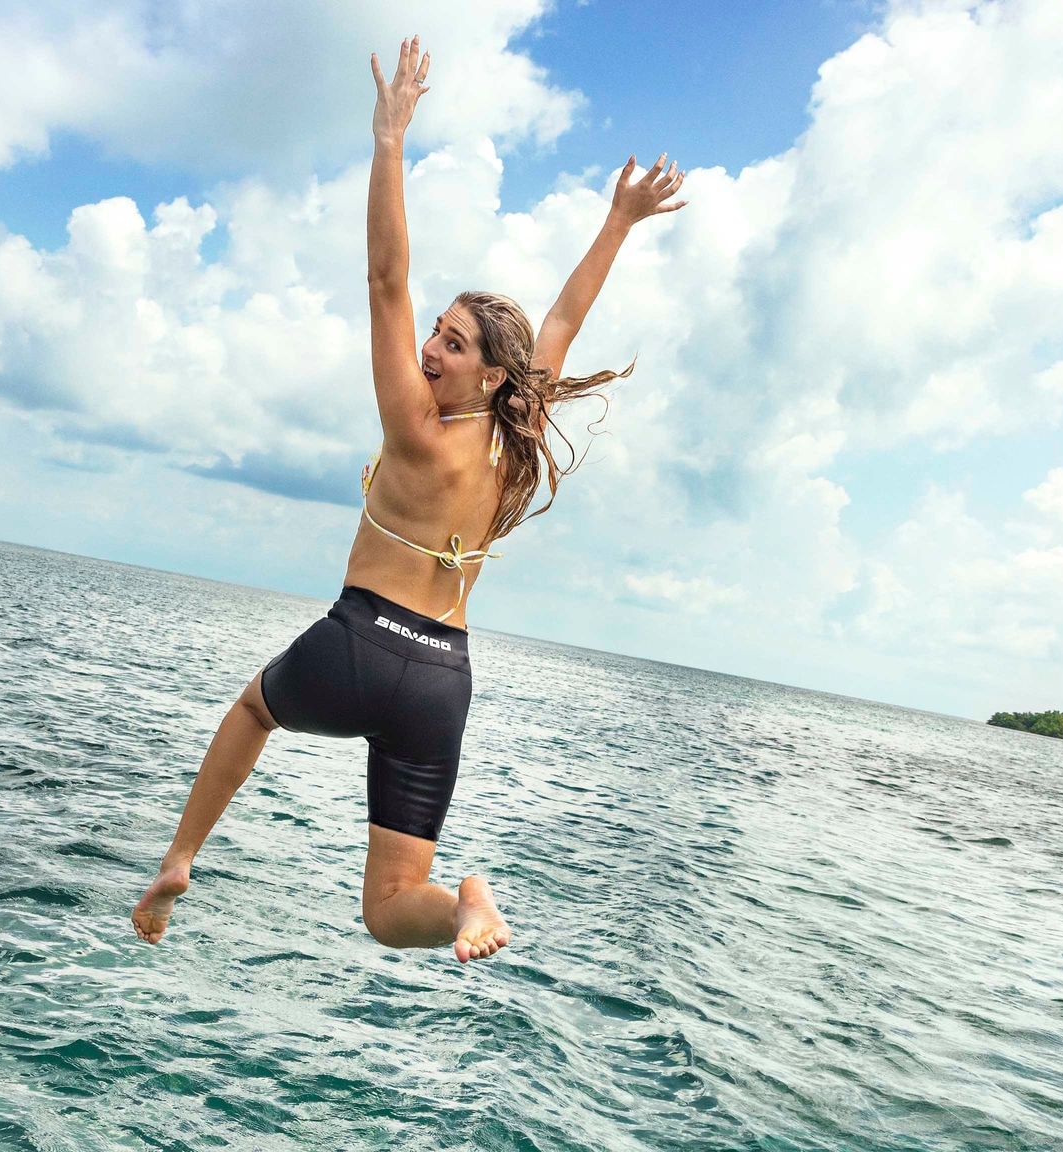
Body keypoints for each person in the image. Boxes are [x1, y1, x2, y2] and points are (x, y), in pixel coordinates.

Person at [132, 36, 686, 963]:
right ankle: (467, 902)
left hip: (358, 642)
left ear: (489, 374)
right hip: (440, 681)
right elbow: (562, 319)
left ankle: (181, 857)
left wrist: (389, 139)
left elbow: (385, 277)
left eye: (454, 342)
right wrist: (620, 224)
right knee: (391, 913)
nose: (430, 346)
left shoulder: (414, 430)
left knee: (252, 712)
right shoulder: (515, 439)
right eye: (434, 329)